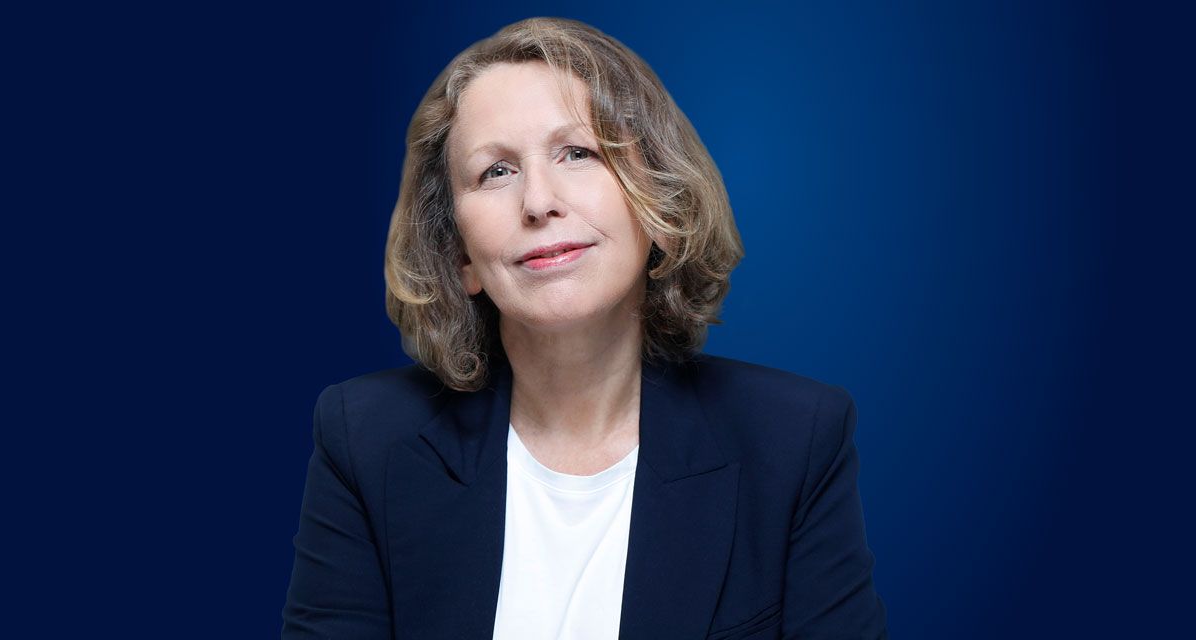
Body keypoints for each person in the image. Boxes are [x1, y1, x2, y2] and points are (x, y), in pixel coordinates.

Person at [282, 16, 887, 640]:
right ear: (460, 254)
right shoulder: (366, 440)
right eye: (496, 171)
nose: (538, 201)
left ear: (659, 203)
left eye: (578, 153)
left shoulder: (792, 442)